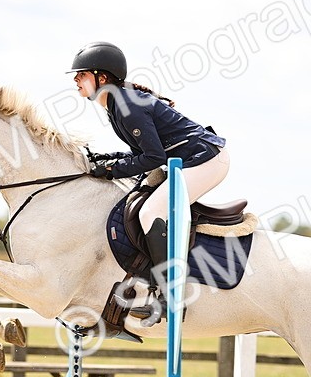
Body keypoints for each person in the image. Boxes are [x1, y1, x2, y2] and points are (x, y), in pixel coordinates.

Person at [70, 41, 229, 316]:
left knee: (151, 212)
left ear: (102, 78)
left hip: (206, 160)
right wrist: (106, 158)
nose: (75, 80)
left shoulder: (128, 105)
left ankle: (171, 293)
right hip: (189, 159)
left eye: (81, 74)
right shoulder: (117, 106)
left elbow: (153, 157)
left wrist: (110, 171)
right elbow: (140, 153)